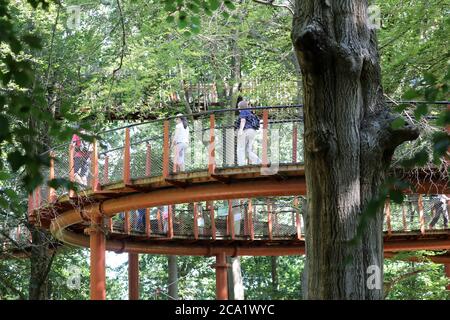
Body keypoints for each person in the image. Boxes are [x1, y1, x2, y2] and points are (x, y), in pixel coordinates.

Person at [236, 100, 261, 166]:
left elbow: (243, 120)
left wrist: (241, 130)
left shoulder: (243, 111)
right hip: (253, 132)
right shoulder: (251, 113)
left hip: (245, 131)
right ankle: (258, 161)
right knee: (248, 150)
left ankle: (241, 164)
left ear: (240, 107)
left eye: (238, 107)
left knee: (240, 148)